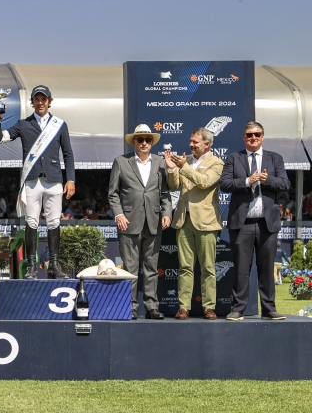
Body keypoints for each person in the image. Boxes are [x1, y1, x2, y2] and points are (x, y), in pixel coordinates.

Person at [0, 85, 76, 279]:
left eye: (43, 99)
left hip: (54, 179)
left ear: (49, 101)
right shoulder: (23, 124)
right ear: (32, 102)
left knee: (54, 222)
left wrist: (70, 178)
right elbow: (0, 139)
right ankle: (31, 266)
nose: (40, 103)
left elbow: (68, 154)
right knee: (31, 222)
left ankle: (53, 265)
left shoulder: (59, 124)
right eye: (37, 99)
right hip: (32, 180)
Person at [220, 121, 290, 321]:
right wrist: (247, 182)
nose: (253, 138)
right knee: (241, 269)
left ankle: (269, 309)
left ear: (262, 137)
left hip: (266, 223)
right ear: (244, 137)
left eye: (257, 134)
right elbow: (224, 183)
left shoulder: (275, 158)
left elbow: (285, 183)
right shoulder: (234, 158)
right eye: (249, 135)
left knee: (267, 268)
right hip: (243, 224)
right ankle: (238, 309)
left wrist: (267, 180)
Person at [108, 124, 172, 320]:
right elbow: (113, 194)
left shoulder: (161, 163)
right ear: (134, 141)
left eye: (148, 140)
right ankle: (130, 307)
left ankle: (152, 307)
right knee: (130, 268)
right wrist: (119, 215)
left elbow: (165, 194)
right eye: (140, 139)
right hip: (128, 222)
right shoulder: (121, 161)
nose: (144, 143)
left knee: (152, 269)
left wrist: (167, 212)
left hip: (153, 222)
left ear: (152, 143)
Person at [164, 127, 224, 320]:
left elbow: (204, 182)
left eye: (195, 142)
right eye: (191, 141)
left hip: (206, 222)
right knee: (185, 267)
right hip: (183, 220)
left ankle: (209, 307)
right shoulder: (186, 162)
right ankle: (183, 307)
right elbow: (173, 186)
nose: (191, 145)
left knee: (207, 267)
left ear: (207, 144)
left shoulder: (217, 163)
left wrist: (183, 167)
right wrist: (172, 169)